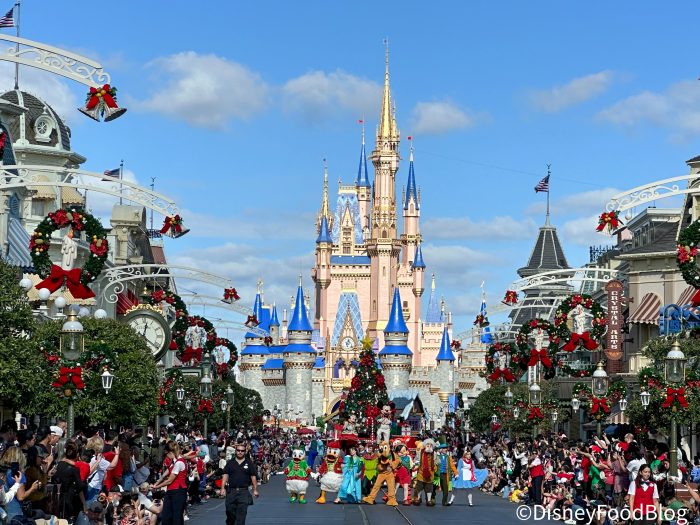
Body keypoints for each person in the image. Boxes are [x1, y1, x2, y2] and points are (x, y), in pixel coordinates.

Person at [220, 441, 259, 525]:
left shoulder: (249, 463)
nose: (240, 452)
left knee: (241, 515)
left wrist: (255, 489)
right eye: (238, 450)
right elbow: (225, 475)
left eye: (242, 451)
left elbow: (253, 476)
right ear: (235, 451)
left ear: (245, 452)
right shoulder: (230, 463)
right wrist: (222, 488)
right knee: (229, 511)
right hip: (231, 491)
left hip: (243, 492)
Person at [152, 441, 188, 525]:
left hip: (178, 491)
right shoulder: (174, 461)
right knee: (166, 516)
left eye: (166, 454)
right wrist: (156, 483)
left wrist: (156, 487)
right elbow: (165, 474)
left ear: (170, 452)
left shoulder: (179, 462)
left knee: (176, 517)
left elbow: (169, 480)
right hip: (171, 491)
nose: (166, 456)